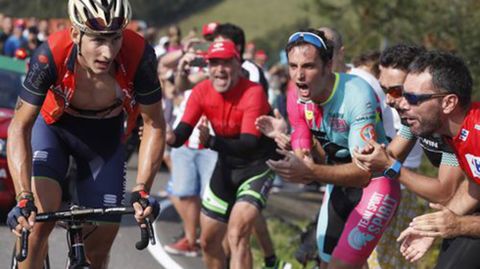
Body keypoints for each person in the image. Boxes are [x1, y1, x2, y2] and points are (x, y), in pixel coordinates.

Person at [6, 0, 165, 268]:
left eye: (115, 39)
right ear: (76, 33)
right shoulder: (50, 55)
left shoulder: (139, 54)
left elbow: (155, 124)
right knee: (37, 224)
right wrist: (23, 196)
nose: (108, 52)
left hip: (103, 138)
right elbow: (19, 126)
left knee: (99, 248)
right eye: (98, 40)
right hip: (53, 129)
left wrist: (143, 189)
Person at [265, 29, 401, 269]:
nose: (299, 75)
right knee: (326, 263)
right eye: (293, 66)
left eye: (308, 66)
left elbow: (363, 173)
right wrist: (296, 152)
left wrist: (308, 171)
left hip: (375, 184)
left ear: (328, 66)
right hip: (338, 183)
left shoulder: (356, 94)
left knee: (340, 265)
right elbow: (303, 139)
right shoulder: (296, 94)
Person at [166, 40, 279, 269]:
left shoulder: (252, 92)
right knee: (208, 241)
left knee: (237, 234)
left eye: (226, 63)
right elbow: (179, 136)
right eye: (214, 63)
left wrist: (212, 142)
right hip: (227, 167)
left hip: (257, 167)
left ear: (238, 65)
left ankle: (270, 260)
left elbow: (248, 143)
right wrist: (168, 136)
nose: (219, 69)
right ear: (207, 67)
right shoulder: (201, 91)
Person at [367, 50, 480, 269]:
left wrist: (459, 225)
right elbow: (476, 185)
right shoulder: (456, 133)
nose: (402, 104)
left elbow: (446, 190)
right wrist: (431, 228)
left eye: (413, 98)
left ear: (448, 103)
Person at [352, 43, 458, 269]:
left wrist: (391, 165)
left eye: (396, 91)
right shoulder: (416, 122)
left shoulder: (451, 126)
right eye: (384, 90)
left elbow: (444, 191)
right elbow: (388, 156)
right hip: (459, 212)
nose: (389, 100)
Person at [212, 23, 289, 269]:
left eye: (222, 44)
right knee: (242, 225)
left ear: (237, 48)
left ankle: (269, 258)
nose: (217, 51)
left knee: (238, 229)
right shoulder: (217, 69)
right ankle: (270, 259)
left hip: (255, 158)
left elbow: (248, 108)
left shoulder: (251, 72)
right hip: (230, 157)